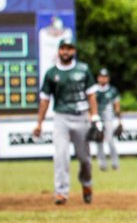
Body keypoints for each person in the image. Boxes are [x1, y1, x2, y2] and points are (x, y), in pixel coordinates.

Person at [31, 39, 101, 205]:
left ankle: (86, 184)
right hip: (61, 117)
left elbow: (91, 95)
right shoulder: (51, 73)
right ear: (59, 51)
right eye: (63, 48)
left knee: (84, 159)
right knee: (61, 155)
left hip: (81, 116)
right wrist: (39, 123)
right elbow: (45, 100)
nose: (66, 52)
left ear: (74, 51)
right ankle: (61, 192)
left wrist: (95, 116)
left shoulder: (83, 70)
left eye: (69, 48)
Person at [93, 68, 122, 171]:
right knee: (99, 141)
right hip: (97, 119)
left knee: (110, 141)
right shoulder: (94, 90)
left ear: (108, 78)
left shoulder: (112, 90)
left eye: (105, 77)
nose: (103, 79)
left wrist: (119, 120)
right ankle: (102, 165)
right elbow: (91, 105)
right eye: (101, 77)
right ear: (98, 78)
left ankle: (115, 164)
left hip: (109, 119)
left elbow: (117, 106)